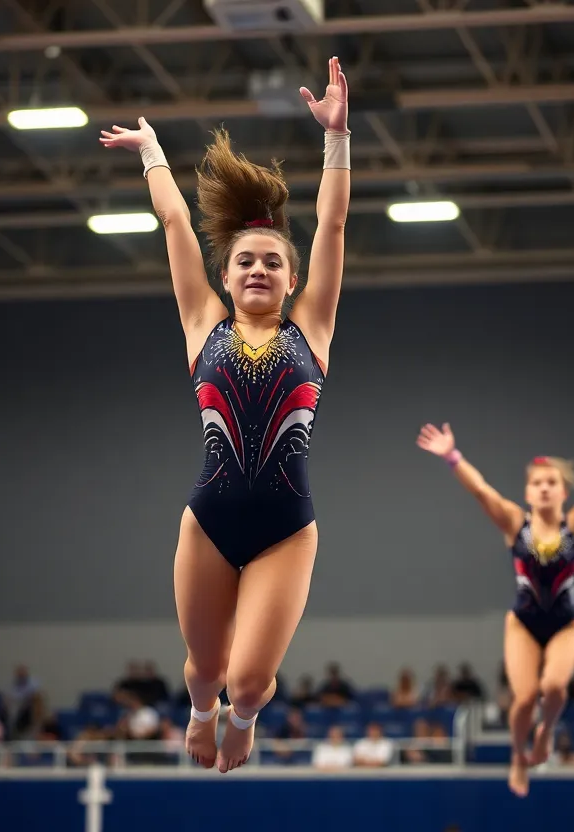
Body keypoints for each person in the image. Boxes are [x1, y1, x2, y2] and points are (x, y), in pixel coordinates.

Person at [98, 57, 352, 773]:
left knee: (248, 680)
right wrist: (152, 154)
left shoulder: (313, 333)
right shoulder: (201, 325)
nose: (258, 271)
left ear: (292, 278)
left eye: (272, 261)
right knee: (202, 671)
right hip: (207, 519)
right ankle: (203, 711)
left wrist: (338, 139)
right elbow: (175, 220)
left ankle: (241, 715)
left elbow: (331, 225)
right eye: (245, 261)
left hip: (285, 531)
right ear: (225, 275)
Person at [416, 419, 574, 796]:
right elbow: (482, 492)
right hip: (523, 623)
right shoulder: (516, 523)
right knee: (525, 697)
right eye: (537, 483)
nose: (544, 488)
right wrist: (452, 457)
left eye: (551, 483)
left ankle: (545, 732)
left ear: (563, 491)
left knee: (555, 687)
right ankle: (517, 756)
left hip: (567, 624)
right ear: (528, 492)